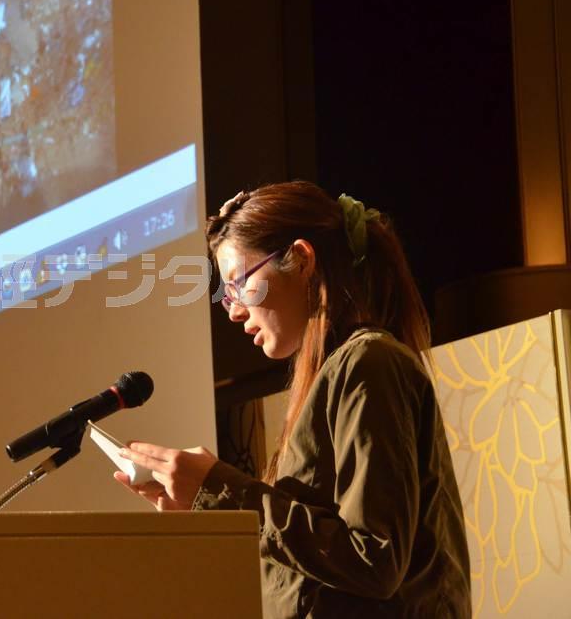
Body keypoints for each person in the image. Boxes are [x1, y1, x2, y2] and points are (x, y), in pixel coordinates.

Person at [115, 181, 472, 618]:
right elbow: (311, 568)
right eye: (225, 295)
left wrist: (221, 490)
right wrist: (208, 508)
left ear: (301, 260)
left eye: (239, 283)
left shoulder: (369, 362)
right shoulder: (334, 374)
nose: (232, 310)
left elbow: (373, 559)